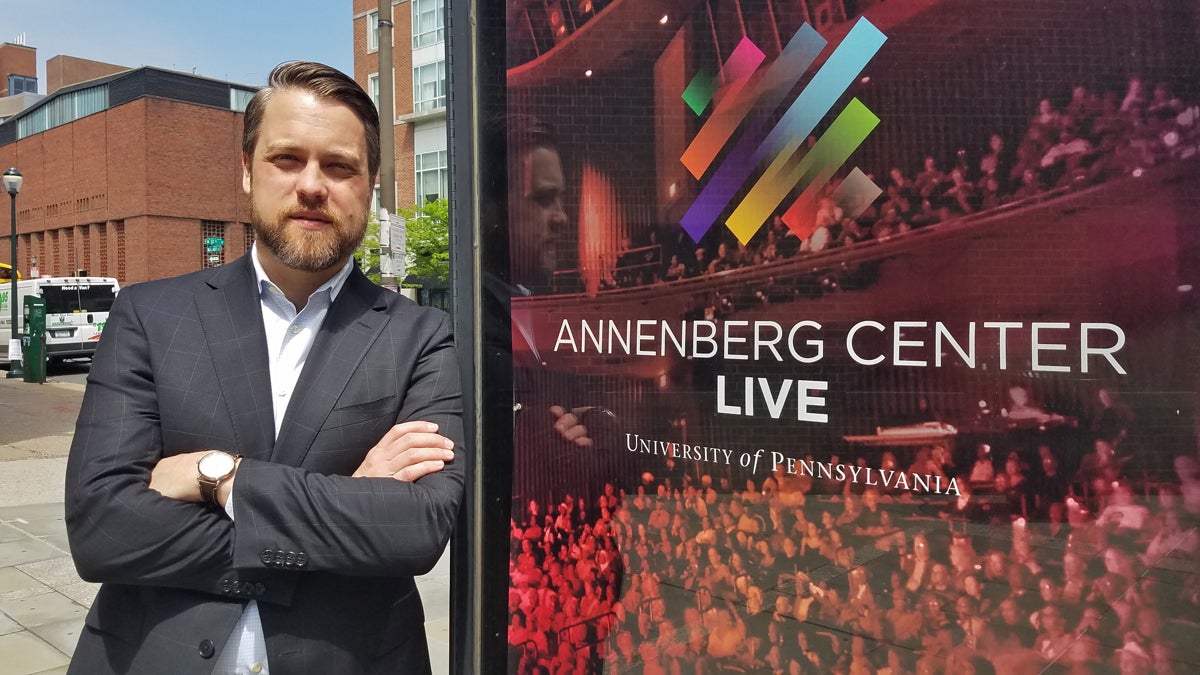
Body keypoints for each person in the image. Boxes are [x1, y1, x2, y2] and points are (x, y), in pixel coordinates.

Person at [64, 62, 466, 675]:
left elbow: (416, 527)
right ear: (247, 171)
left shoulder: (421, 336)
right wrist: (349, 505)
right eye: (286, 160)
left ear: (372, 183)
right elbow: (101, 529)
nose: (312, 185)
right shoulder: (151, 315)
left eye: (339, 166)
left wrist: (222, 477)